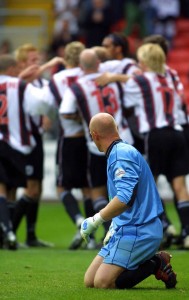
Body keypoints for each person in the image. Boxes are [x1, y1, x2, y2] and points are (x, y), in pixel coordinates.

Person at [80, 112, 177, 289]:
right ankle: (148, 260)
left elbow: (125, 198)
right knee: (90, 281)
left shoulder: (120, 155)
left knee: (102, 283)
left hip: (140, 230)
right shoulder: (120, 151)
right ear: (116, 129)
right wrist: (115, 225)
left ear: (94, 135)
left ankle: (156, 262)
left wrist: (96, 220)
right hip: (126, 228)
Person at [0, 54, 56, 249]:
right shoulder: (20, 86)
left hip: (3, 142)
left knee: (7, 189)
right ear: (12, 68)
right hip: (19, 144)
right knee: (30, 189)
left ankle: (7, 234)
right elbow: (40, 106)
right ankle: (10, 233)